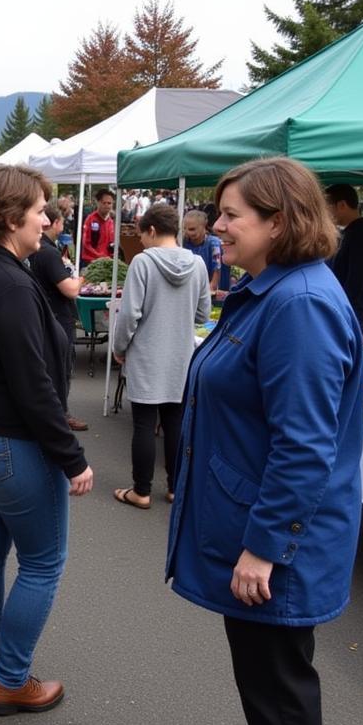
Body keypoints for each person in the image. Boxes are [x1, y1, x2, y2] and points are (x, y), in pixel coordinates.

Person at [168, 158, 362, 725]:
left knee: (279, 673)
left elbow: (304, 447)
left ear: (279, 222)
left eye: (230, 217)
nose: (214, 227)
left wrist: (265, 545)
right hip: (256, 520)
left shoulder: (299, 305)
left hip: (276, 536)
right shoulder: (272, 291)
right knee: (262, 661)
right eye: (218, 214)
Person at [0, 164, 93, 717]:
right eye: (38, 211)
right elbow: (33, 386)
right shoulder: (8, 282)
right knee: (41, 562)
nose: (46, 220)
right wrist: (71, 457)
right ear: (10, 218)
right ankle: (10, 679)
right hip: (6, 440)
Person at [112, 204, 210, 510]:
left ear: (152, 230)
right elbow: (203, 313)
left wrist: (119, 347)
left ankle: (141, 491)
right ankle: (173, 488)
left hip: (145, 355)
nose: (140, 240)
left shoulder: (142, 263)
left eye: (141, 234)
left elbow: (129, 315)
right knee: (175, 422)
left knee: (143, 423)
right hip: (180, 355)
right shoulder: (197, 265)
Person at [28, 200, 87, 432]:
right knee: (61, 369)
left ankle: (53, 413)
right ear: (56, 223)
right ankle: (61, 415)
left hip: (45, 313)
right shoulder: (48, 252)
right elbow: (70, 290)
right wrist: (82, 279)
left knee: (49, 367)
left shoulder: (38, 249)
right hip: (58, 316)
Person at [325, 183, 363, 333]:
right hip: (343, 317)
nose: (325, 213)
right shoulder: (350, 233)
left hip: (352, 321)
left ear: (342, 205)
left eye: (327, 207)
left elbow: (356, 284)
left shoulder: (362, 235)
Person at [182, 209, 223, 294]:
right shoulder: (184, 242)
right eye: (185, 229)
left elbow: (217, 268)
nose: (187, 232)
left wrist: (211, 287)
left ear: (203, 226)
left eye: (192, 229)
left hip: (207, 286)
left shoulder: (213, 243)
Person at [80, 188, 115, 266]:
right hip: (91, 262)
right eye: (104, 203)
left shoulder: (111, 222)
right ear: (98, 203)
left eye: (109, 203)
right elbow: (86, 244)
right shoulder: (90, 220)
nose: (106, 205)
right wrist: (100, 257)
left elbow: (112, 243)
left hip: (107, 262)